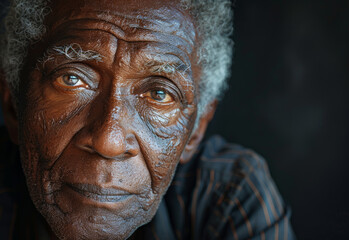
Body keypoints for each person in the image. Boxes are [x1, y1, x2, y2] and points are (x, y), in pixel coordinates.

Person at [0, 0, 296, 239]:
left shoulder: (225, 194)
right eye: (72, 78)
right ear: (13, 104)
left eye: (159, 94)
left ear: (195, 131)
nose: (109, 141)